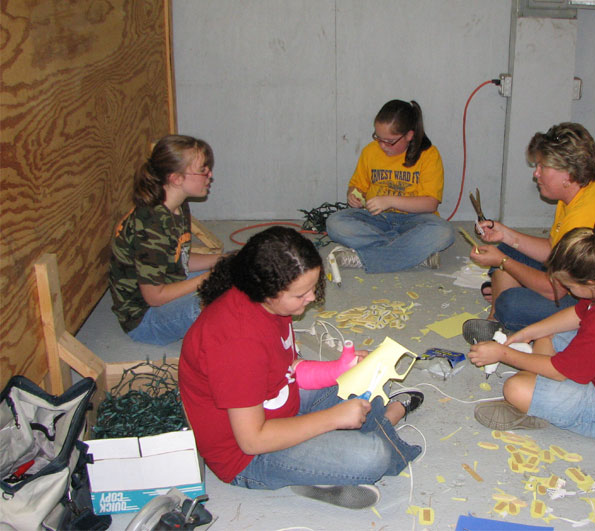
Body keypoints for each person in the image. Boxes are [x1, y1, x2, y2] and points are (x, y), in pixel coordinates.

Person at [179, 226, 423, 509]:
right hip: (248, 457)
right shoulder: (236, 343)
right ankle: (379, 425)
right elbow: (252, 441)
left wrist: (341, 368)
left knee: (369, 379)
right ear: (267, 291)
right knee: (373, 456)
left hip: (278, 403)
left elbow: (289, 368)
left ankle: (351, 439)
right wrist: (332, 418)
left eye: (313, 287)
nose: (312, 298)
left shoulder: (270, 305)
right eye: (301, 294)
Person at [468, 217, 595, 440]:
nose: (566, 290)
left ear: (591, 283)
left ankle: (537, 406)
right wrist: (531, 331)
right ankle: (539, 394)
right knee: (546, 333)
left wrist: (503, 354)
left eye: (569, 286)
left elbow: (560, 372)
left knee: (515, 389)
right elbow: (579, 313)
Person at [462, 122, 595, 341]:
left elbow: (555, 290)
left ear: (568, 174)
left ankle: (506, 318)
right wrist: (505, 234)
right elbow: (553, 249)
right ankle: (495, 321)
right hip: (578, 281)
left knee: (510, 303)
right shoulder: (576, 194)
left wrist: (503, 262)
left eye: (542, 167)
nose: (536, 173)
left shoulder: (585, 215)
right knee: (507, 248)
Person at [109, 134, 222, 345]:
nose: (210, 174)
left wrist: (223, 260)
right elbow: (155, 297)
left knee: (235, 273)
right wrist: (209, 277)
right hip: (145, 319)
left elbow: (180, 258)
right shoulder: (151, 226)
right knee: (218, 297)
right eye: (203, 170)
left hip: (170, 285)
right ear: (176, 178)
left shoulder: (178, 206)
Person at [325, 99, 454, 273]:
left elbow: (430, 204)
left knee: (444, 232)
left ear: (409, 135)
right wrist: (353, 194)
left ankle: (364, 258)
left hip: (415, 220)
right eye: (378, 138)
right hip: (376, 218)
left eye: (389, 141)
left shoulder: (429, 155)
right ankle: (414, 252)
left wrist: (390, 201)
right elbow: (357, 185)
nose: (382, 145)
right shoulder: (370, 151)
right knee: (334, 222)